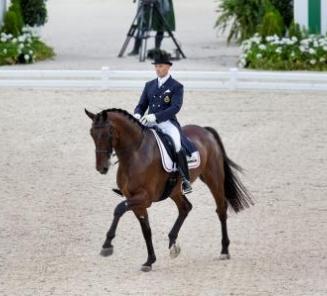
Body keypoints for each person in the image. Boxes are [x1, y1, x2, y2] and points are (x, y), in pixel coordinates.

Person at [133, 52, 192, 194]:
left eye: (160, 66)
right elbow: (141, 105)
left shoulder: (176, 86)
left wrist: (156, 117)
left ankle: (185, 180)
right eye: (156, 66)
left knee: (177, 144)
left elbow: (175, 108)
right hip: (148, 121)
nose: (157, 69)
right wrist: (137, 114)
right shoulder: (149, 85)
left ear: (168, 67)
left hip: (167, 122)